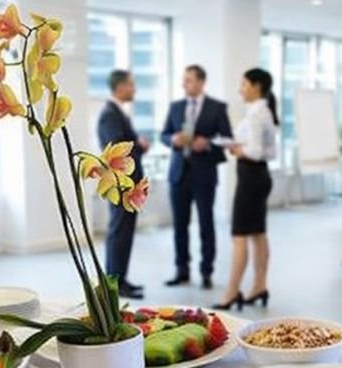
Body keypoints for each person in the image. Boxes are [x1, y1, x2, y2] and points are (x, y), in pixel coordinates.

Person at [161, 65, 233, 289]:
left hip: (204, 175)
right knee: (180, 226)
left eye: (189, 80)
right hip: (178, 175)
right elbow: (163, 135)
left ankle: (206, 272)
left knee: (206, 224)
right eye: (183, 80)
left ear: (201, 82)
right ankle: (182, 271)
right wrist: (173, 140)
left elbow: (228, 139)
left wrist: (208, 143)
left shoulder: (217, 108)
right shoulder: (175, 107)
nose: (184, 84)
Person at [214, 68, 278, 311]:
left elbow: (256, 151)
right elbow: (272, 152)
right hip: (260, 176)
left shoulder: (255, 114)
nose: (240, 89)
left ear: (256, 86)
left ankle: (231, 293)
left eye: (243, 84)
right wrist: (241, 148)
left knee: (239, 235)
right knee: (258, 233)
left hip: (251, 178)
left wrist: (237, 148)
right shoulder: (266, 111)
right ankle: (259, 286)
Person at [97, 69, 150, 300]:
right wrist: (139, 144)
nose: (134, 89)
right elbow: (118, 149)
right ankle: (114, 283)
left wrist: (138, 145)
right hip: (120, 184)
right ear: (120, 87)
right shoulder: (110, 114)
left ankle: (120, 280)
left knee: (124, 231)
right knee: (119, 232)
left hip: (127, 183)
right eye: (131, 84)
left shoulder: (118, 112)